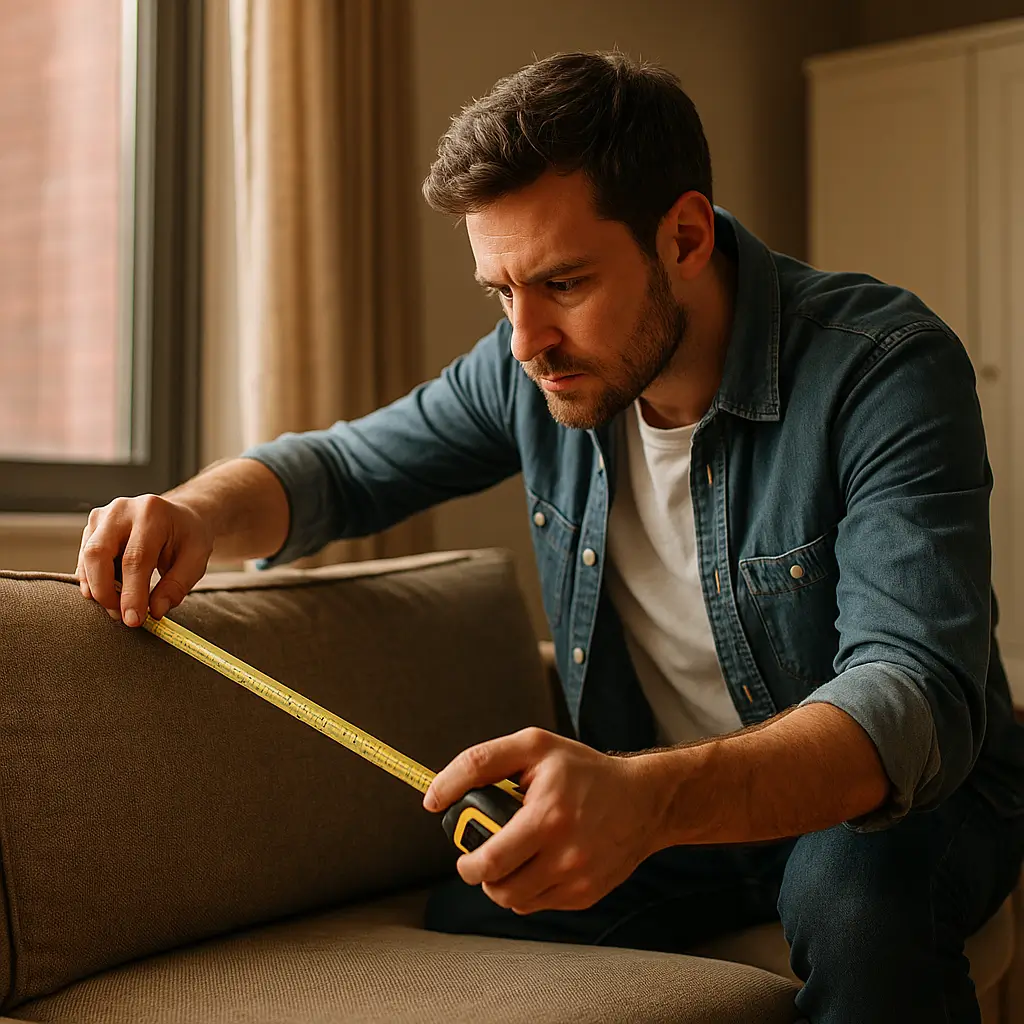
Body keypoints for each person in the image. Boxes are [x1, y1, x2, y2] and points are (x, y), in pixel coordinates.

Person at [76, 51, 1024, 1023]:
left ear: (685, 236)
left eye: (563, 282)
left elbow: (907, 696)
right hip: (673, 815)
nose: (525, 339)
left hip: (906, 803)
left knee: (852, 899)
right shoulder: (531, 367)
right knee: (475, 910)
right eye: (501, 290)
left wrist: (643, 801)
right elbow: (341, 469)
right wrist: (193, 510)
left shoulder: (882, 367)